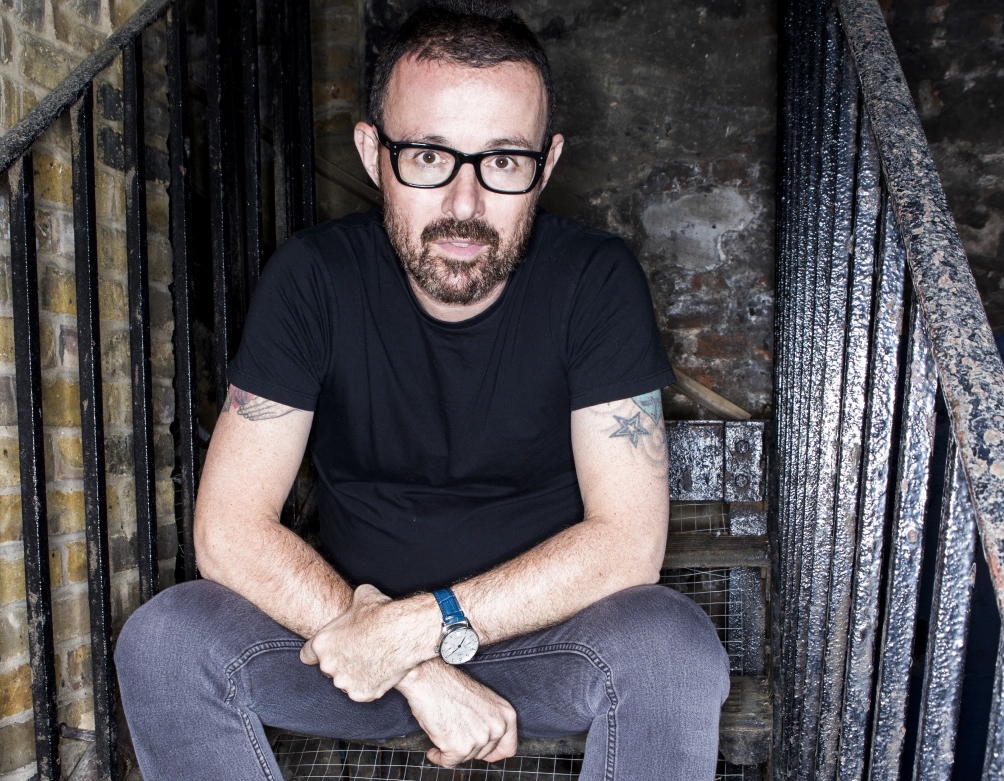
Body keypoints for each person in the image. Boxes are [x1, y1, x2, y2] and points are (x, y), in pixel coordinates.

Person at [115, 2, 729, 779]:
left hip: (545, 647)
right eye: (429, 156)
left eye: (503, 162)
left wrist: (424, 627)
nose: (463, 206)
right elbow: (229, 528)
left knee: (670, 648)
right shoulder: (312, 278)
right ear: (372, 153)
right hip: (347, 649)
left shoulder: (594, 279)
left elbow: (628, 543)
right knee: (166, 638)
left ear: (546, 163)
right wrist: (410, 662)